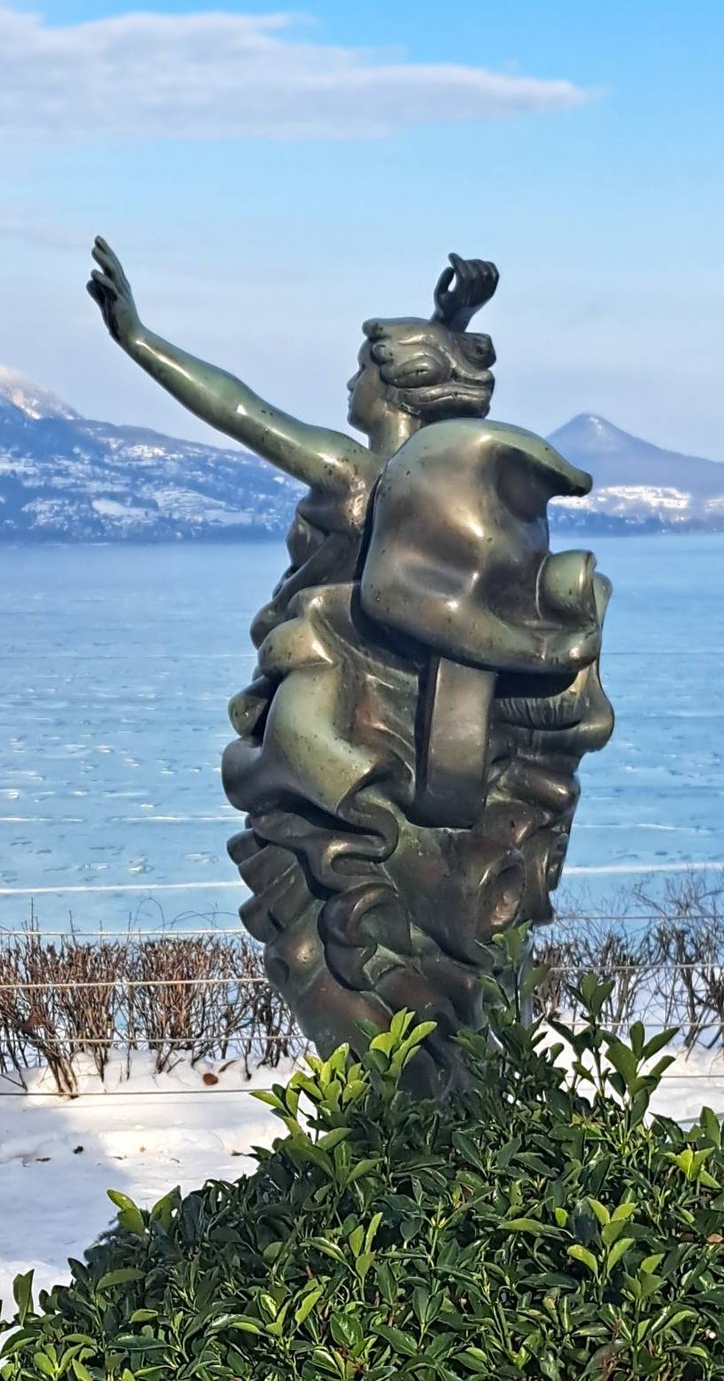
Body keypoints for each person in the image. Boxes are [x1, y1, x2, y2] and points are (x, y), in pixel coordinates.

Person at [87, 241, 612, 1074]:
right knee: (425, 959)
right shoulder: (438, 489)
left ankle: (405, 1105)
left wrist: (140, 340)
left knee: (339, 932)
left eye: (364, 369)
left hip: (350, 718)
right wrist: (449, 323)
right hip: (416, 730)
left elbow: (243, 411)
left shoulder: (355, 473)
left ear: (396, 387)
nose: (348, 384)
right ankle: (446, 1094)